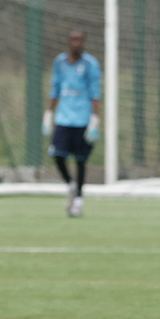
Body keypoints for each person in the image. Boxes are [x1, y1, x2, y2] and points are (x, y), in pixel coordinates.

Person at [43, 29, 101, 217]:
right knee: (57, 155)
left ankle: (78, 201)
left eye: (79, 40)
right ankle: (71, 184)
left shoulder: (90, 64)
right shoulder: (60, 63)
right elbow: (55, 89)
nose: (76, 43)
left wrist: (95, 119)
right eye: (73, 39)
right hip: (64, 119)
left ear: (84, 42)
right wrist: (48, 113)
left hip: (82, 119)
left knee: (81, 161)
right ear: (68, 42)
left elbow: (95, 92)